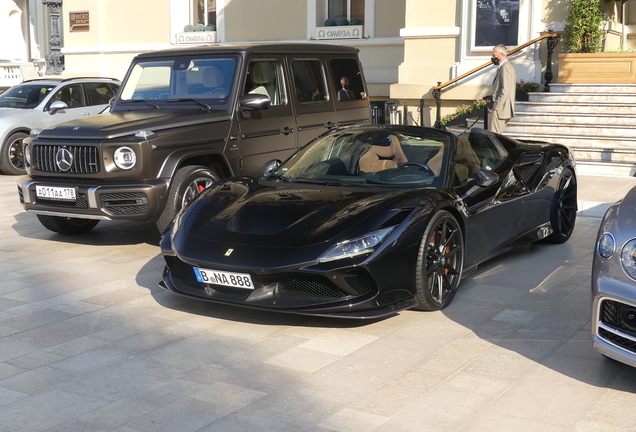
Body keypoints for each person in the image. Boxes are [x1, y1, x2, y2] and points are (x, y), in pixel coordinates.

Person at [488, 44, 516, 134]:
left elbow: (505, 89)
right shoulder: (503, 67)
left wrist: (497, 107)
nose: (492, 57)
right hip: (501, 108)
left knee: (494, 136)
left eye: (494, 55)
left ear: (502, 54)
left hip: (501, 109)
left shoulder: (506, 67)